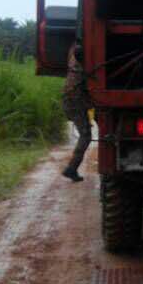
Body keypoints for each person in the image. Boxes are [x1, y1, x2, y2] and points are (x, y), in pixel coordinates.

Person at [61, 42, 93, 182]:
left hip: (71, 98)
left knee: (85, 134)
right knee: (85, 136)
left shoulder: (73, 48)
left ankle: (72, 168)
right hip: (76, 100)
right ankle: (72, 168)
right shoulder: (82, 52)